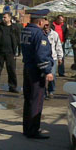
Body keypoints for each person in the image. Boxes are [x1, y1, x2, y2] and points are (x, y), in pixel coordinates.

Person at [21, 9, 54, 139]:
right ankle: (33, 129)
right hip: (36, 70)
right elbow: (42, 56)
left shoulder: (26, 30)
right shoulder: (39, 35)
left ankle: (27, 128)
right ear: (40, 21)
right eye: (45, 20)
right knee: (36, 100)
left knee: (28, 99)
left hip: (27, 67)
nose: (46, 23)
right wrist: (47, 71)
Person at [0, 11, 19, 93]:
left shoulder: (14, 27)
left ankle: (12, 87)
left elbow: (17, 39)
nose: (3, 19)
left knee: (12, 70)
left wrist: (16, 51)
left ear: (10, 18)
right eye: (3, 17)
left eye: (5, 17)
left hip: (10, 52)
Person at [43, 22, 63, 99]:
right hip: (43, 58)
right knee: (43, 76)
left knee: (53, 75)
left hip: (53, 58)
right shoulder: (40, 34)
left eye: (47, 25)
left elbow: (58, 46)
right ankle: (43, 92)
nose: (46, 27)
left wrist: (60, 57)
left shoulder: (54, 34)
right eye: (45, 25)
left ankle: (51, 91)